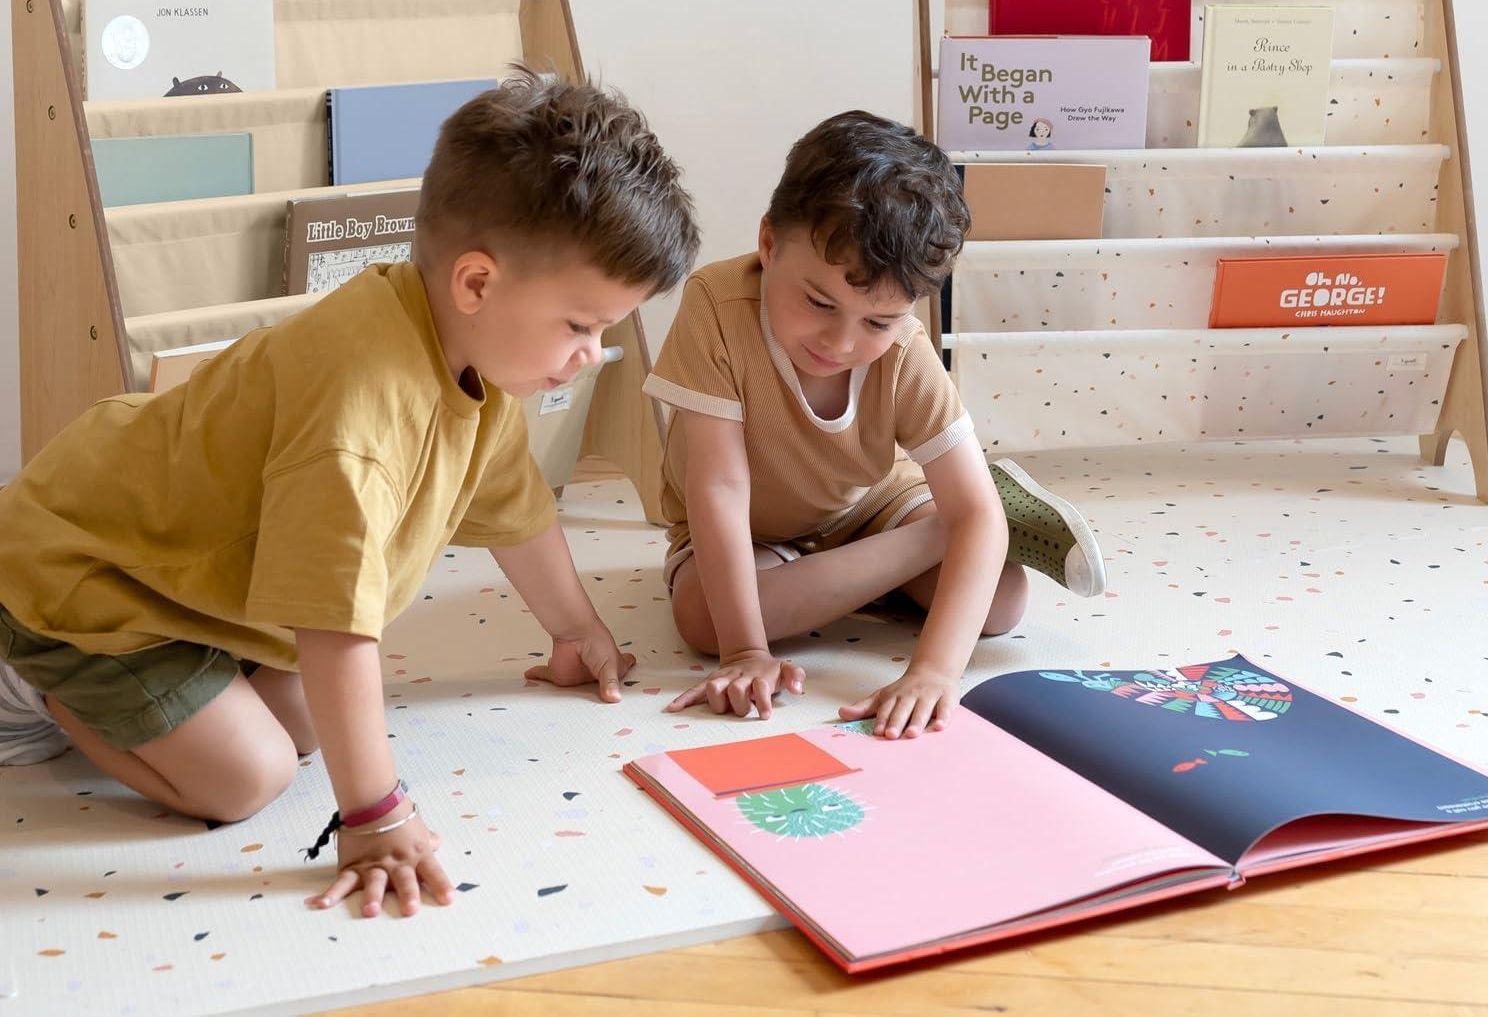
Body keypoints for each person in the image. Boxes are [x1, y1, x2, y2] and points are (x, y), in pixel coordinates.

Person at [0, 70, 699, 918]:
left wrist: (577, 630)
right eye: (581, 326)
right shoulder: (358, 414)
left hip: (183, 576)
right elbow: (334, 626)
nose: (592, 354)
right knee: (247, 776)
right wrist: (373, 815)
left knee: (302, 731)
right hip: (84, 569)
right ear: (476, 284)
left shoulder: (470, 356)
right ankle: (36, 671)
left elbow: (518, 513)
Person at [645, 111, 1105, 739]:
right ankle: (942, 534)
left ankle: (939, 534)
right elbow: (720, 488)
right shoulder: (716, 305)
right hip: (755, 529)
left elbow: (972, 521)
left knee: (1002, 605)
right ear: (769, 244)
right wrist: (747, 653)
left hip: (874, 503)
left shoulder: (904, 351)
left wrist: (936, 671)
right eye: (817, 302)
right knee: (705, 621)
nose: (840, 342)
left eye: (878, 322)